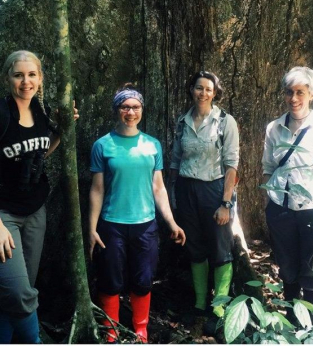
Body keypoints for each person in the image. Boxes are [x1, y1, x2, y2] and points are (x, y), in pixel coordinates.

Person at [89, 83, 186, 343]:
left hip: (145, 225)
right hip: (112, 224)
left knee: (143, 280)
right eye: (125, 107)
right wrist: (91, 228)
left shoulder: (152, 145)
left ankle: (140, 329)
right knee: (109, 279)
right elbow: (97, 190)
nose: (130, 112)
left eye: (135, 107)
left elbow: (159, 187)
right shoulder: (103, 145)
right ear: (116, 110)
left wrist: (172, 222)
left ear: (142, 110)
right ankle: (111, 330)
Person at [0, 50, 79, 343]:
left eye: (31, 75)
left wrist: (61, 129)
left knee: (15, 290)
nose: (25, 81)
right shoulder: (1, 113)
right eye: (18, 75)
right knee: (19, 292)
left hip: (35, 212)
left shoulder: (41, 113)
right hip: (4, 216)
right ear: (7, 78)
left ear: (40, 79)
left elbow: (38, 153)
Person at [261, 66, 313, 323]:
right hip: (281, 209)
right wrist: (270, 203)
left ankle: (308, 325)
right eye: (289, 92)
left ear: (312, 94)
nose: (294, 98)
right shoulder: (274, 128)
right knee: (287, 268)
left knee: (312, 271)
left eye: (300, 92)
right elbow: (267, 168)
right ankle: (291, 320)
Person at [170, 71, 239, 332]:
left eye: (208, 89)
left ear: (215, 93)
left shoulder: (224, 121)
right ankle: (200, 304)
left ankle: (219, 307)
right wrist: (174, 194)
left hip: (214, 190)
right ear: (191, 90)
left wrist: (226, 203)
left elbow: (232, 165)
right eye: (199, 88)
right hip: (187, 190)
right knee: (195, 247)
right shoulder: (182, 122)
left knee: (221, 249)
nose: (203, 93)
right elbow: (176, 161)